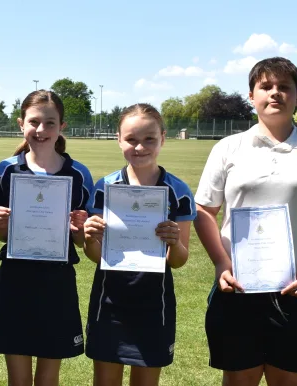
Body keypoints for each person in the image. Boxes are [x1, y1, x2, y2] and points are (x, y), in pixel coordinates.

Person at [195, 57, 297, 386]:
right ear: (252, 95)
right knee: (239, 381)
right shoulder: (228, 148)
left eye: (284, 87)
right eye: (265, 86)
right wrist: (222, 263)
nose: (275, 93)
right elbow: (205, 212)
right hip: (238, 288)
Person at [83, 103, 196, 386]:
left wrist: (174, 243)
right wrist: (90, 237)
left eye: (149, 139)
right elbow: (96, 256)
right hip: (110, 301)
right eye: (131, 139)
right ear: (119, 140)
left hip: (153, 303)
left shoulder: (177, 191)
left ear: (163, 139)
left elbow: (180, 260)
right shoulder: (105, 187)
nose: (139, 147)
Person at [0, 90, 93, 386]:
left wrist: (80, 230)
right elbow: (1, 235)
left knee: (48, 377)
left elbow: (84, 242)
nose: (41, 129)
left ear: (62, 127)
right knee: (17, 379)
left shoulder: (79, 174)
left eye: (49, 123)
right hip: (15, 279)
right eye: (34, 122)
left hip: (57, 282)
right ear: (21, 124)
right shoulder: (7, 170)